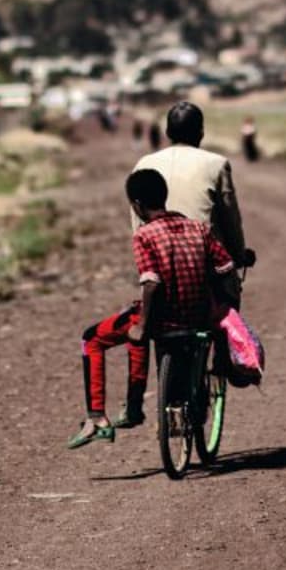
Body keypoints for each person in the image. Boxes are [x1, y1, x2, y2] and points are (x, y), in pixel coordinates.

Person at [68, 169, 237, 449]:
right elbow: (226, 267)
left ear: (136, 204)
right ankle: (133, 407)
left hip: (165, 320)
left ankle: (97, 417)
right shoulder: (199, 228)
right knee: (136, 329)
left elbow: (152, 284)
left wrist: (144, 325)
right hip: (199, 317)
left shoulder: (144, 235)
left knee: (93, 338)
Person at [133, 101, 248, 268]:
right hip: (206, 261)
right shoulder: (216, 164)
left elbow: (138, 221)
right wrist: (239, 255)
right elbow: (230, 219)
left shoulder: (143, 164)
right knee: (227, 291)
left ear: (167, 133)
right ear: (201, 133)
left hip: (161, 261)